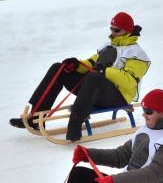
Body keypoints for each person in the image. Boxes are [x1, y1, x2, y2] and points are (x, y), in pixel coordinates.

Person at [10, 12, 151, 142]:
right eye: (111, 29)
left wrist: (104, 72)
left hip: (118, 97)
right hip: (95, 91)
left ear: (127, 31)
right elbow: (91, 63)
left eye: (117, 30)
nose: (112, 33)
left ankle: (75, 125)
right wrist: (76, 65)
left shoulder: (137, 54)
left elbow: (129, 81)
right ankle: (34, 118)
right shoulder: (110, 46)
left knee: (94, 77)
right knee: (58, 68)